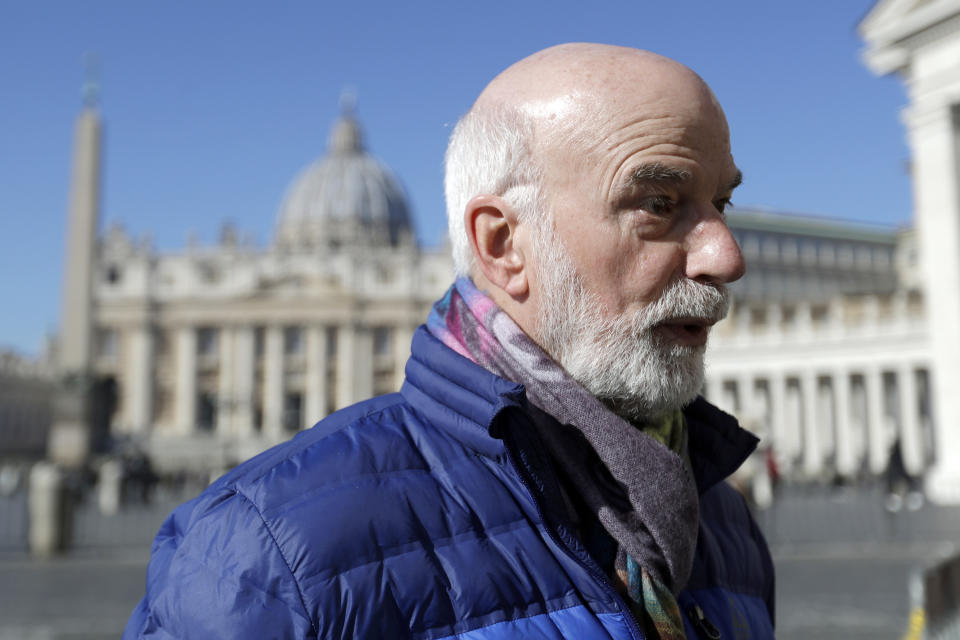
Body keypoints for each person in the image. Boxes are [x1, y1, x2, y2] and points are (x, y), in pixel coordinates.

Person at [124, 43, 775, 639]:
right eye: (658, 203)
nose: (727, 257)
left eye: (724, 205)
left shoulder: (722, 523)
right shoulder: (262, 556)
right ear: (500, 244)